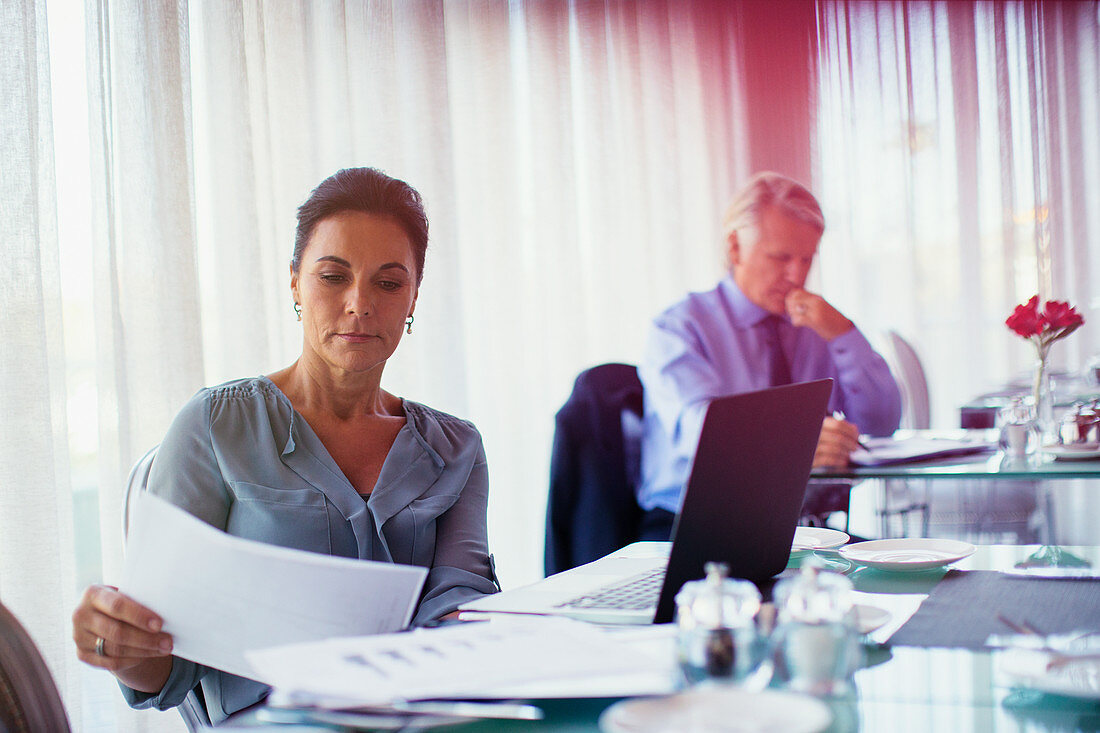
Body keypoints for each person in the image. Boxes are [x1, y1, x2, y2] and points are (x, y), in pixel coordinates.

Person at [71, 167, 499, 723]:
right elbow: (166, 669)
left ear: (414, 295)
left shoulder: (456, 447)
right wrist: (118, 645)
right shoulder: (213, 427)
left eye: (388, 283)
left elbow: (462, 604)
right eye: (332, 276)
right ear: (295, 282)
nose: (359, 303)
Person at [637, 171, 901, 537]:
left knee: (920, 575)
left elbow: (882, 425)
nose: (796, 275)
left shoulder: (815, 325)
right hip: (697, 529)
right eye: (780, 257)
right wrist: (795, 446)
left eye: (807, 260)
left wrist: (844, 334)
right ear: (735, 247)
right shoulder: (679, 328)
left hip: (801, 531)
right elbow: (703, 436)